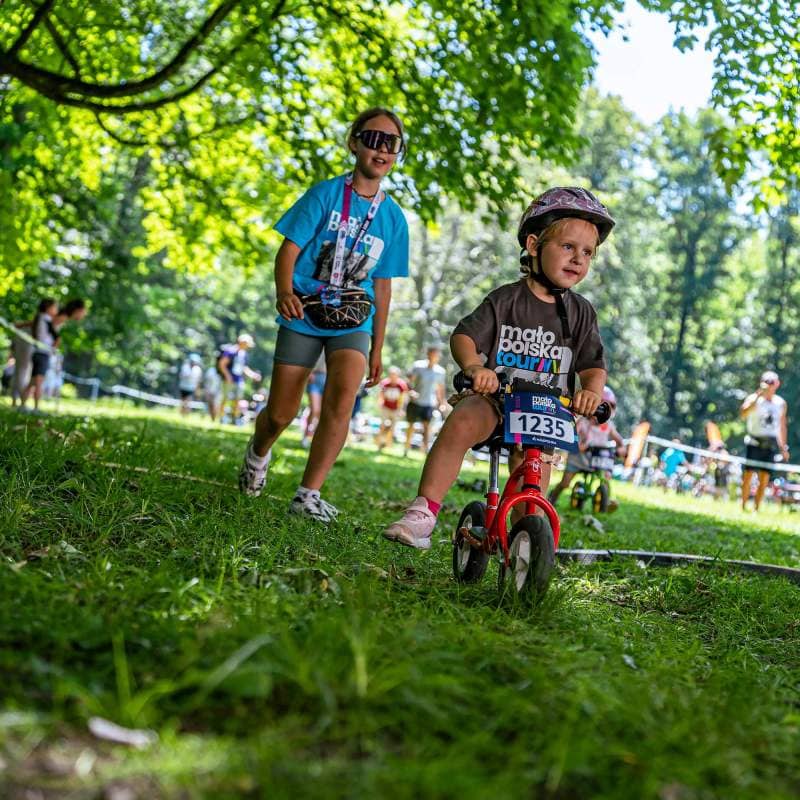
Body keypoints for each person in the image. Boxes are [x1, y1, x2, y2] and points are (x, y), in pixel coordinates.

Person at [383, 186, 614, 549]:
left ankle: (527, 548)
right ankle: (423, 512)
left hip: (547, 411)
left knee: (531, 492)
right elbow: (464, 336)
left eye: (587, 252)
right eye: (567, 247)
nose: (578, 259)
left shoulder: (582, 312)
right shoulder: (507, 299)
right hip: (497, 399)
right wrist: (475, 367)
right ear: (535, 246)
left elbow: (592, 364)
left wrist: (591, 393)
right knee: (461, 422)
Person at [238, 107, 409, 522]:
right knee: (281, 412)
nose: (381, 149)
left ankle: (307, 495)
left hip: (353, 320)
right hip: (305, 310)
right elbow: (289, 250)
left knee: (342, 397)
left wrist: (377, 346)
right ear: (354, 143)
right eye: (373, 138)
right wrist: (284, 292)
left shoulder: (394, 219)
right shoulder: (325, 194)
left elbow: (383, 287)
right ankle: (257, 454)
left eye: (392, 143)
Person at [548, 386, 625, 506]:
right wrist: (578, 445)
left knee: (604, 478)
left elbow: (619, 441)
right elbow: (571, 436)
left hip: (597, 459)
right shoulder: (583, 423)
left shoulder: (608, 426)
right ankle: (553, 497)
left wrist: (620, 449)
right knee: (565, 483)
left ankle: (606, 501)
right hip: (578, 457)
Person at [740, 370, 789, 511]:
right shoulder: (754, 398)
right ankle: (743, 506)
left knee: (764, 478)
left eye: (771, 382)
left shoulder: (781, 403)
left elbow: (782, 426)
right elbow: (743, 414)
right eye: (766, 381)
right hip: (754, 442)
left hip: (770, 443)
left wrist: (783, 447)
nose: (769, 385)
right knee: (748, 476)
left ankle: (756, 508)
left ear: (777, 384)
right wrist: (757, 396)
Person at [403, 346, 447, 455]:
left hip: (429, 403)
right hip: (415, 402)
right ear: (428, 354)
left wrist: (442, 403)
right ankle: (406, 448)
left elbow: (440, 389)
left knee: (427, 427)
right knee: (411, 425)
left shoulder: (440, 371)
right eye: (431, 354)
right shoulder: (418, 366)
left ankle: (425, 451)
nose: (433, 356)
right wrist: (411, 392)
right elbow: (408, 382)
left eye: (436, 355)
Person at [19, 298, 58, 412]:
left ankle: (22, 405)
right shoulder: (45, 319)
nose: (56, 310)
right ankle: (36, 408)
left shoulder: (39, 318)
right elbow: (56, 336)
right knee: (38, 382)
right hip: (42, 353)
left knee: (32, 382)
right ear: (48, 308)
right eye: (55, 307)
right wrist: (53, 349)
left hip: (37, 352)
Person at [217, 334, 261, 423]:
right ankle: (221, 418)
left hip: (238, 380)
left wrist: (253, 375)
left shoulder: (244, 354)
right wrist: (227, 376)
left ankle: (234, 419)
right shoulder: (231, 351)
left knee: (237, 399)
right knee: (225, 399)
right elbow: (222, 364)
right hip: (228, 380)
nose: (248, 347)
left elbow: (244, 368)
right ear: (242, 343)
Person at [376, 366, 409, 449]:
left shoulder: (401, 385)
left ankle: (387, 443)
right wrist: (380, 403)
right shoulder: (385, 383)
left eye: (394, 375)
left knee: (392, 427)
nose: (392, 377)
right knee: (383, 424)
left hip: (396, 408)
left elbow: (404, 398)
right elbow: (381, 394)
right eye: (391, 375)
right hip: (386, 407)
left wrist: (402, 409)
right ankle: (380, 443)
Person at [301, 354, 326, 448]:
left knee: (321, 413)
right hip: (315, 377)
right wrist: (309, 372)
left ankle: (315, 437)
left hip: (329, 378)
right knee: (315, 409)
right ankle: (306, 435)